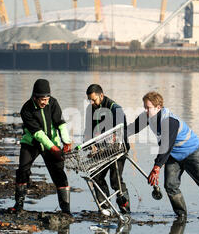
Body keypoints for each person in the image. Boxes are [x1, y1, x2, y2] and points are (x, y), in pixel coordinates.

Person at [127, 91, 199, 219]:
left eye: (148, 108)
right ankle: (181, 217)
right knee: (170, 186)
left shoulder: (169, 121)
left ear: (158, 107)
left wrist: (156, 167)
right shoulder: (148, 117)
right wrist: (118, 135)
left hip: (191, 153)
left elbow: (166, 146)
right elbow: (133, 128)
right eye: (144, 107)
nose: (146, 111)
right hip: (173, 155)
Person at [8, 78, 72, 216]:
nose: (45, 102)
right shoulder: (26, 109)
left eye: (47, 99)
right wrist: (53, 148)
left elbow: (60, 123)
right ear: (34, 97)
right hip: (32, 143)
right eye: (42, 99)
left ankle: (66, 210)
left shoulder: (53, 103)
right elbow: (37, 133)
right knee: (23, 170)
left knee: (59, 173)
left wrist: (66, 141)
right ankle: (18, 206)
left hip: (52, 143)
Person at [84, 84, 130, 214]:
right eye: (90, 100)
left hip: (119, 149)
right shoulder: (91, 109)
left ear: (101, 95)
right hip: (102, 150)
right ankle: (105, 208)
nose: (92, 103)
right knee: (95, 175)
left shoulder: (115, 109)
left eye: (94, 100)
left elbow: (121, 132)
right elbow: (88, 130)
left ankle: (125, 210)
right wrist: (90, 145)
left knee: (115, 181)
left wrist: (112, 141)